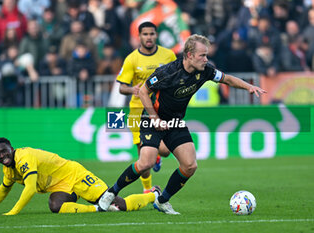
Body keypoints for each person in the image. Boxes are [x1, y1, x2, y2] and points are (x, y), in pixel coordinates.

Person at [99, 34, 266, 215]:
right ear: (189, 55)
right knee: (146, 161)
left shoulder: (206, 71)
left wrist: (248, 87)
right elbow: (144, 92)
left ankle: (162, 201)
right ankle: (111, 193)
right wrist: (155, 118)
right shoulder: (168, 72)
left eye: (206, 55)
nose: (206, 59)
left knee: (190, 165)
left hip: (175, 122)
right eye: (202, 55)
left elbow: (227, 79)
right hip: (151, 119)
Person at [0, 137, 162, 215]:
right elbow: (1, 191)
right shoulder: (8, 169)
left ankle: (154, 195)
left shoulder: (23, 157)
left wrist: (13, 212)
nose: (3, 156)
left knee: (120, 205)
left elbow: (29, 188)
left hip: (75, 175)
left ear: (11, 149)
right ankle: (97, 210)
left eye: (5, 152)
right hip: (60, 186)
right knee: (56, 206)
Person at [116, 21, 176, 193]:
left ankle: (157, 155)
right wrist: (131, 89)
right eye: (145, 34)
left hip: (161, 109)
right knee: (143, 154)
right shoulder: (132, 59)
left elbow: (176, 75)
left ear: (156, 35)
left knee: (165, 150)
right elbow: (121, 87)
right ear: (139, 36)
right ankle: (147, 189)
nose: (149, 37)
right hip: (138, 112)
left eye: (151, 34)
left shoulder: (168, 55)